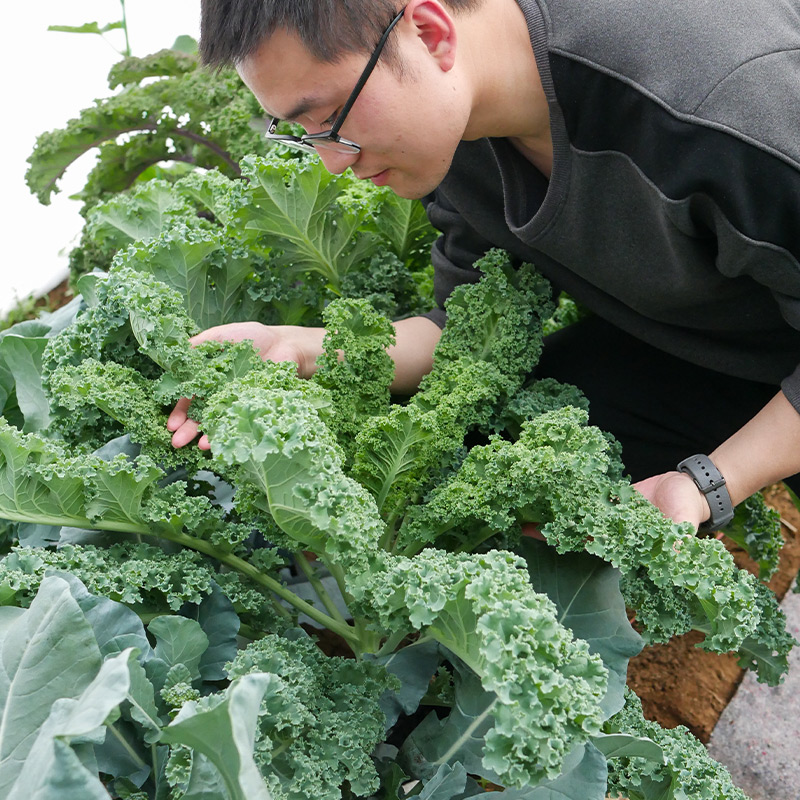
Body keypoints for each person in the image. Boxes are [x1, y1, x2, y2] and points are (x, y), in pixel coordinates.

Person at [169, 0, 800, 533]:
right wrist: (300, 348)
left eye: (330, 118)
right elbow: (463, 329)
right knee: (488, 448)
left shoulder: (716, 108)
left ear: (430, 32)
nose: (332, 161)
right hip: (707, 345)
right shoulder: (454, 125)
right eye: (302, 131)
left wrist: (712, 482)